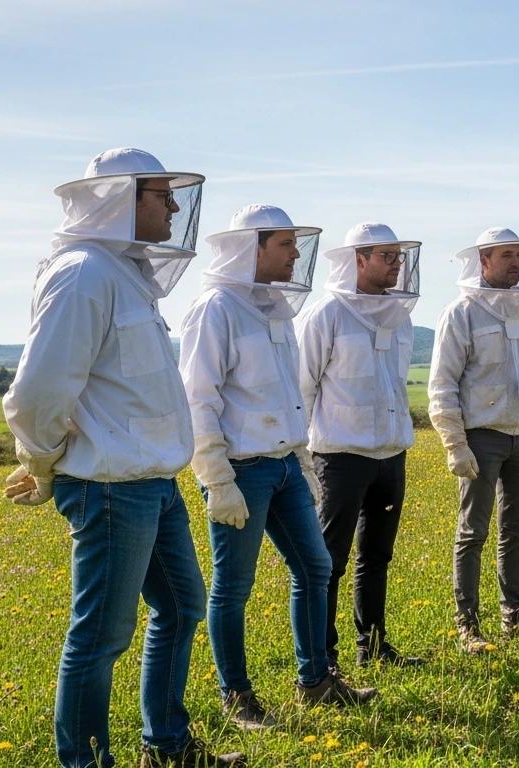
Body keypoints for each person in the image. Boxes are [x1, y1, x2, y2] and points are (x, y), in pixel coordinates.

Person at [2, 148, 242, 767]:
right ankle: (85, 762)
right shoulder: (82, 272)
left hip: (151, 481)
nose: (172, 207)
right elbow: (38, 390)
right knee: (102, 637)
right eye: (161, 196)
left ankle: (166, 746)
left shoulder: (122, 274)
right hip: (109, 485)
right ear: (120, 200)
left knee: (184, 606)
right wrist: (44, 462)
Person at [179, 205, 376, 733]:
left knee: (315, 567)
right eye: (285, 244)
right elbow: (199, 398)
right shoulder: (214, 309)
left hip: (286, 462)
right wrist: (216, 477)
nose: (295, 255)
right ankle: (236, 697)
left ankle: (316, 681)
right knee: (233, 586)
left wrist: (303, 460)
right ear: (254, 248)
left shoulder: (276, 310)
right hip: (240, 470)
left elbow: (291, 394)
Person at [297, 223, 423, 668]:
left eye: (398, 256)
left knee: (377, 555)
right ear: (358, 260)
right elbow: (302, 389)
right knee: (329, 559)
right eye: (386, 256)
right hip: (339, 456)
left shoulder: (399, 315)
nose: (396, 264)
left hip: (390, 453)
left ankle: (373, 647)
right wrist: (302, 455)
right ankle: (322, 658)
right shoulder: (326, 314)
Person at [428, 227, 519, 654]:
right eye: (506, 255)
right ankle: (467, 626)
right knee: (472, 532)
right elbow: (442, 384)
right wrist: (454, 443)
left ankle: (513, 617)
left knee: (516, 528)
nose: (516, 262)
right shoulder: (461, 314)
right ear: (483, 261)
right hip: (482, 437)